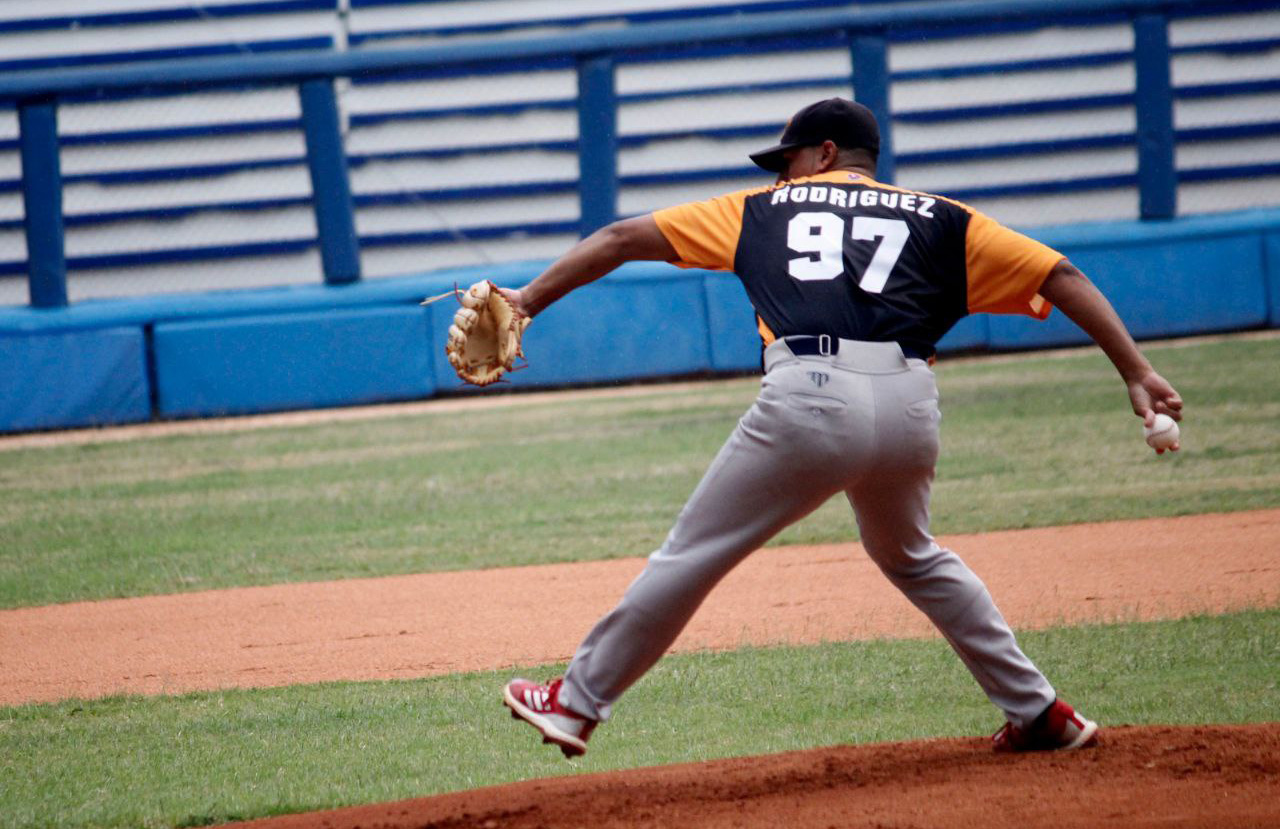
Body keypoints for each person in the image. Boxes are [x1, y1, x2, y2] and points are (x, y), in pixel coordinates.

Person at [499, 97, 1183, 758]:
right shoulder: (945, 218)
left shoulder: (757, 209)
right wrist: (1136, 370)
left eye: (790, 158)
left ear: (826, 153)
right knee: (913, 554)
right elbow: (1058, 273)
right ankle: (1040, 712)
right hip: (911, 407)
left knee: (693, 552)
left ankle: (576, 701)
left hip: (811, 397)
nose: (780, 173)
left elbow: (621, 238)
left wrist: (527, 300)